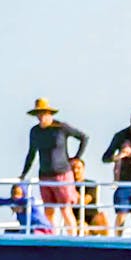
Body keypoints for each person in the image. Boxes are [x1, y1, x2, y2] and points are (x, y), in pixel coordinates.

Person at [19, 98, 87, 236]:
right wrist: (23, 173)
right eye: (39, 114)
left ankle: (73, 237)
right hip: (45, 174)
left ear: (49, 114)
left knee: (65, 209)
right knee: (48, 209)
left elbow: (83, 138)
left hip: (62, 173)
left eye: (44, 113)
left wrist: (76, 158)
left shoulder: (61, 128)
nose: (41, 117)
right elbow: (31, 153)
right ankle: (50, 236)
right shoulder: (35, 132)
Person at [69, 158, 108, 236]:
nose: (75, 170)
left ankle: (106, 245)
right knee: (82, 227)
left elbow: (84, 201)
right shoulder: (67, 186)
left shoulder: (91, 184)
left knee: (102, 218)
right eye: (73, 168)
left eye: (78, 168)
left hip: (92, 216)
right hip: (76, 217)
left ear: (83, 169)